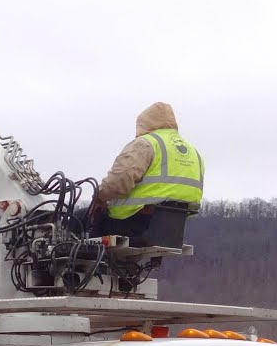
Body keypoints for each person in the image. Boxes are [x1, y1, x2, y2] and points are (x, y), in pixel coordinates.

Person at [86, 102, 204, 242]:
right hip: (174, 227)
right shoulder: (193, 151)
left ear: (144, 123)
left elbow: (118, 181)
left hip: (133, 222)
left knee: (80, 220)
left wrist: (99, 197)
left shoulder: (146, 143)